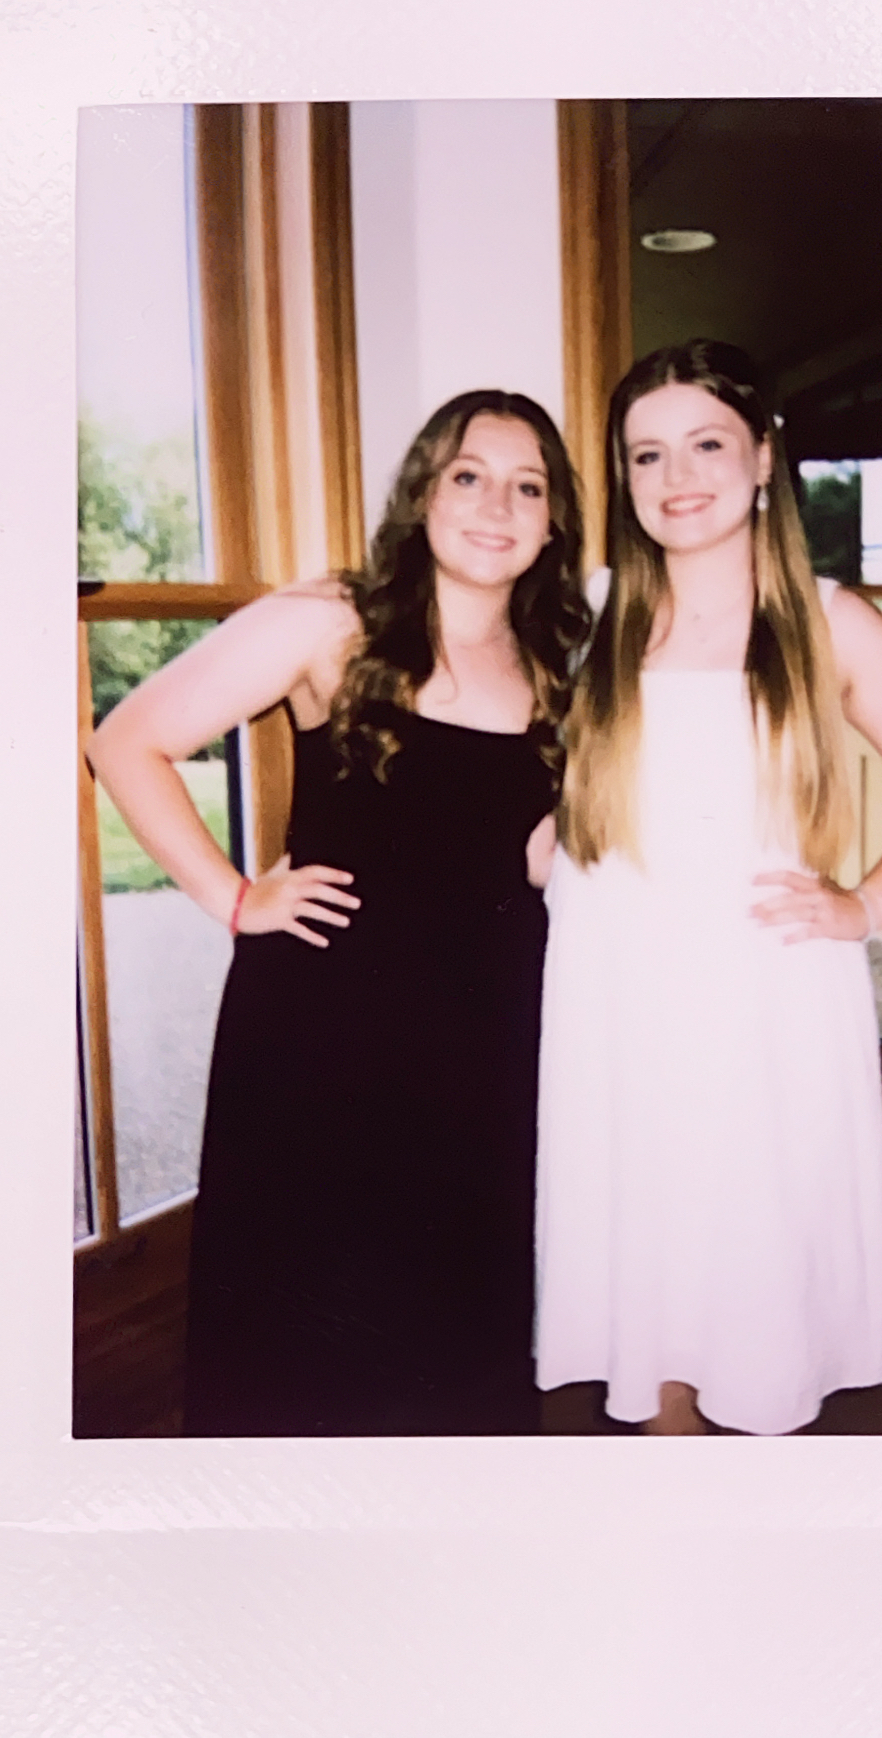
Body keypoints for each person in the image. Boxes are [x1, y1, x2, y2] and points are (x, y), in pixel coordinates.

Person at [89, 390, 591, 1437]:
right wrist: (233, 897)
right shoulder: (333, 621)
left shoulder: (561, 661)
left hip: (489, 1034)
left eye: (527, 484)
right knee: (307, 1333)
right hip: (326, 1033)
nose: (496, 502)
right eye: (468, 475)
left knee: (460, 1321)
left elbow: (537, 843)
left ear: (553, 521)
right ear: (423, 494)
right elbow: (126, 740)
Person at [534, 341, 882, 1436]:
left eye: (705, 443)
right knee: (646, 1225)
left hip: (756, 982)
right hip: (615, 973)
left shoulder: (828, 619)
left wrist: (865, 907)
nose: (676, 475)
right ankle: (667, 1457)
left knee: (739, 1233)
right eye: (647, 454)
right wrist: (550, 828)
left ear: (763, 458)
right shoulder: (591, 611)